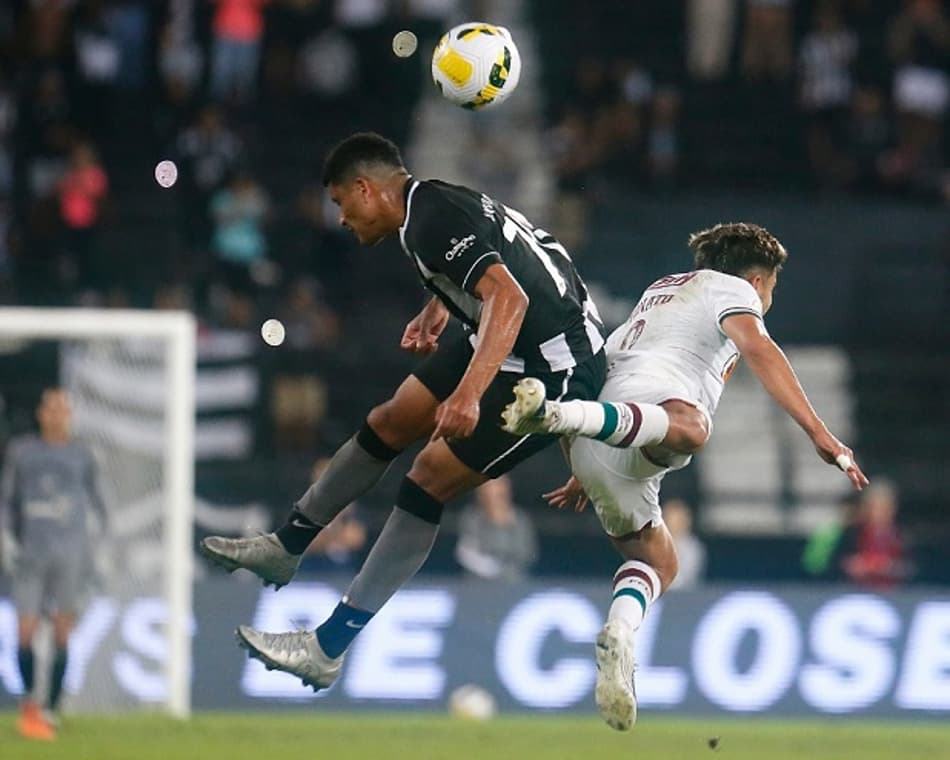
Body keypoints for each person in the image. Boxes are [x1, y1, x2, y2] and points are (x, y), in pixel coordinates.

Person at [199, 132, 606, 691]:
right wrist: (440, 303)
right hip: (502, 337)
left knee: (427, 478)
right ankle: (286, 546)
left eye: (341, 203)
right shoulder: (428, 207)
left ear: (367, 189)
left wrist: (468, 393)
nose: (341, 218)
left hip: (552, 366)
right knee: (393, 418)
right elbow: (503, 258)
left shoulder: (431, 219)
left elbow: (510, 298)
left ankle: (327, 645)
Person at [502, 222, 868, 731]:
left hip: (598, 435)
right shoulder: (734, 290)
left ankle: (620, 633)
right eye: (773, 287)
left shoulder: (662, 290)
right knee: (694, 430)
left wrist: (582, 459)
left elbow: (612, 362)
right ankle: (558, 414)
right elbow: (761, 348)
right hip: (645, 410)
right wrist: (818, 433)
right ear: (760, 280)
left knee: (659, 562)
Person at [0, 389, 108, 740]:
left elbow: (99, 506)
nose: (57, 414)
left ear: (69, 414)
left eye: (63, 407)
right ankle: (31, 704)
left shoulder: (83, 456)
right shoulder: (22, 452)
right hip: (31, 553)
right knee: (25, 632)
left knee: (63, 633)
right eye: (50, 407)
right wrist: (6, 537)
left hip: (71, 556)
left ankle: (51, 709)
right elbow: (7, 499)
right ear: (41, 413)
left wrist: (99, 548)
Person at [454, 474, 538, 581]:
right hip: (477, 584)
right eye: (490, 487)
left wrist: (507, 572)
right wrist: (491, 569)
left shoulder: (522, 520)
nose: (496, 492)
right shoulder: (471, 518)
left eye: (500, 486)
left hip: (514, 584)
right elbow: (466, 553)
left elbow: (528, 554)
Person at [660, 498, 705, 590]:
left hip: (684, 596)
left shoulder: (693, 547)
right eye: (670, 518)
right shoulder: (654, 544)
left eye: (678, 519)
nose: (673, 523)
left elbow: (687, 577)